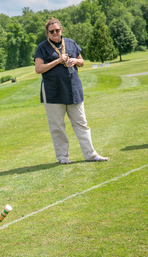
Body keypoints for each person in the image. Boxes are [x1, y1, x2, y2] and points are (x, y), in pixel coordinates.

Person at [34, 18, 109, 164]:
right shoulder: (42, 47)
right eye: (52, 31)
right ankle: (63, 157)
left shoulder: (70, 42)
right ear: (47, 33)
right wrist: (58, 61)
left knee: (81, 122)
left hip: (73, 88)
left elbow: (81, 61)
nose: (55, 33)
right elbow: (38, 69)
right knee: (57, 126)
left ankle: (91, 154)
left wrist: (74, 61)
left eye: (57, 30)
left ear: (61, 30)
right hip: (53, 91)